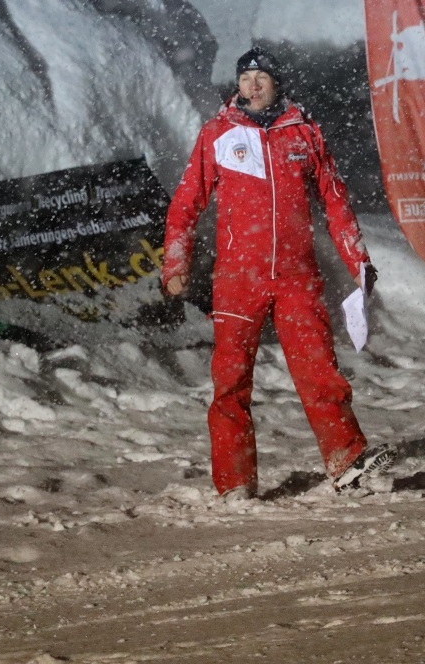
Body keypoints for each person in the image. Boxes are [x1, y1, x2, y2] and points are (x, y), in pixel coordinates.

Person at [162, 46, 392, 498]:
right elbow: (186, 203)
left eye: (262, 77)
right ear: (238, 85)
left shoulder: (303, 133)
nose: (253, 85)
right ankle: (235, 483)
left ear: (276, 83)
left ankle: (346, 461)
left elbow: (335, 203)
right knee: (230, 382)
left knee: (320, 373)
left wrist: (358, 261)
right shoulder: (217, 133)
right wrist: (176, 262)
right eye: (246, 78)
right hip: (237, 279)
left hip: (296, 278)